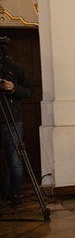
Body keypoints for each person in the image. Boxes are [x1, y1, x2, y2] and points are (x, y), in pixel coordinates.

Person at [0, 37, 33, 208]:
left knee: (14, 159)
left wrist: (13, 88)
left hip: (11, 120)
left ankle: (14, 193)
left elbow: (29, 91)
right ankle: (3, 193)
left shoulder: (16, 68)